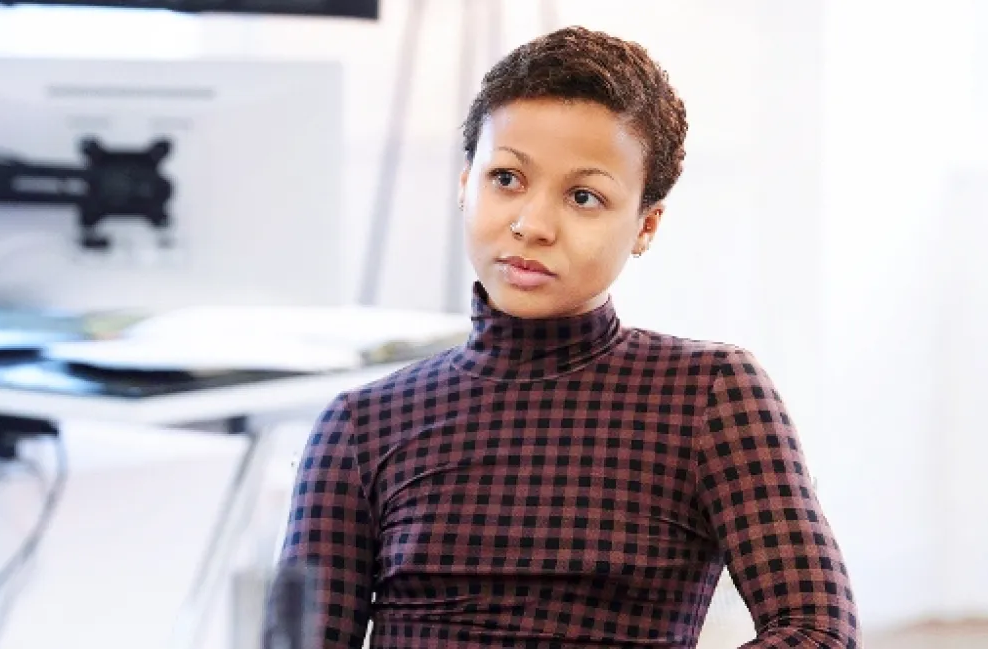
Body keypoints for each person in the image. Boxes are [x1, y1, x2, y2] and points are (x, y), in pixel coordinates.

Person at [272, 26, 860, 648]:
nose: (532, 225)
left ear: (646, 225)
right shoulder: (361, 426)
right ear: (466, 185)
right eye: (506, 179)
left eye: (583, 196)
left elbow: (817, 630)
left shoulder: (709, 394)